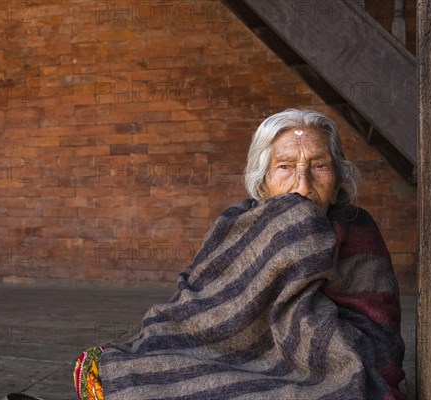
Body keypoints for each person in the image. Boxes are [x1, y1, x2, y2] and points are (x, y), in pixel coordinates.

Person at [74, 109, 406, 400]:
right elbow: (199, 306)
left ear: (337, 183)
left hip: (320, 360)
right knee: (128, 370)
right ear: (263, 185)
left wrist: (300, 317)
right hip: (232, 354)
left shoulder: (356, 228)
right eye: (286, 167)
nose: (302, 185)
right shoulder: (237, 223)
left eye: (319, 166)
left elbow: (378, 338)